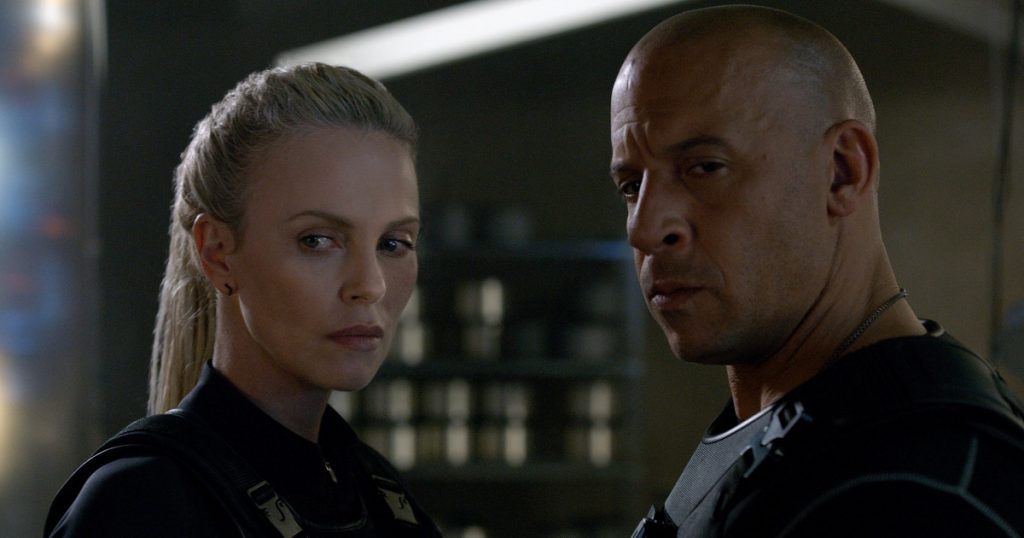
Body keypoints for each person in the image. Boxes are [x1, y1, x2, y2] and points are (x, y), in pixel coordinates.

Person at [610, 5, 1024, 537]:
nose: (644, 229)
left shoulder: (916, 488)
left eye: (705, 167)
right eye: (631, 186)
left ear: (841, 172)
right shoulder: (797, 431)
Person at [45, 63, 441, 537]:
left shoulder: (383, 499)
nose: (370, 284)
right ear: (217, 253)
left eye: (393, 244)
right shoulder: (142, 503)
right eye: (317, 240)